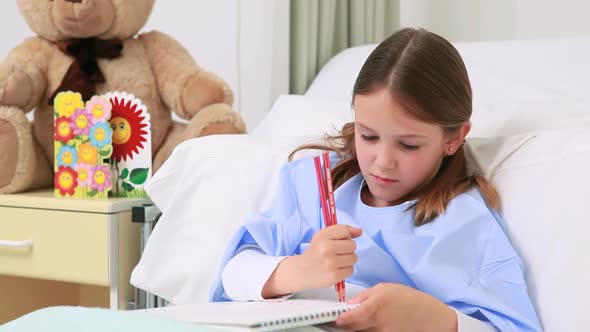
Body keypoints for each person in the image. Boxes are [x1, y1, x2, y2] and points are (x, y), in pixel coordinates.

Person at [209, 28, 542, 331]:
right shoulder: (316, 186)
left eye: (408, 145)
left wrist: (432, 318)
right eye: (368, 136)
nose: (383, 162)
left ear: (453, 138)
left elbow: (515, 326)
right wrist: (297, 271)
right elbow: (232, 275)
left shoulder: (466, 223)